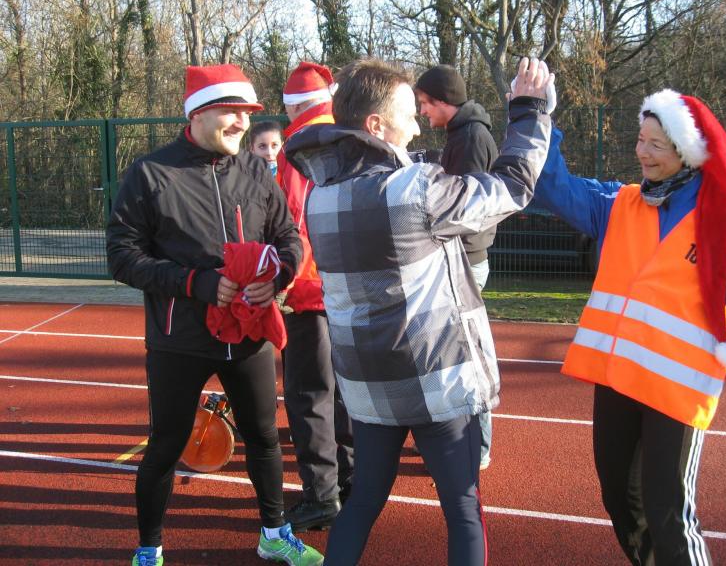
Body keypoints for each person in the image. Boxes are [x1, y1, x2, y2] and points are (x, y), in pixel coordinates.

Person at [283, 56, 555, 566]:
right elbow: (512, 187)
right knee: (463, 509)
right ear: (375, 125)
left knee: (363, 502)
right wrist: (529, 113)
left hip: (367, 383)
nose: (416, 126)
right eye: (408, 115)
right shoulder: (415, 191)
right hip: (436, 378)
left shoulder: (320, 196)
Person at [533, 88, 726, 565]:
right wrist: (538, 117)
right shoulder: (619, 203)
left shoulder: (724, 226)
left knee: (669, 515)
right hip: (618, 383)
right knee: (621, 501)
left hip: (677, 392)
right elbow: (553, 186)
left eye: (656, 144)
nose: (643, 152)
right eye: (640, 139)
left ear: (687, 152)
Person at [106, 63, 323, 566]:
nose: (243, 122)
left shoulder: (255, 171)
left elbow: (287, 236)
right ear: (198, 114)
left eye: (248, 112)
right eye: (231, 111)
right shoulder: (150, 174)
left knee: (263, 438)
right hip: (178, 338)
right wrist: (195, 283)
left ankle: (273, 534)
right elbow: (121, 256)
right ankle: (149, 548)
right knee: (166, 444)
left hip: (248, 332)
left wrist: (280, 273)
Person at [276, 61, 354, 532]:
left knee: (309, 397)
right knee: (345, 393)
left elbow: (294, 222)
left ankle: (322, 496)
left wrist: (283, 281)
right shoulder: (351, 138)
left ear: (293, 107)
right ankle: (350, 479)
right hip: (349, 289)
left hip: (308, 292)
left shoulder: (297, 148)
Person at [415, 64, 499, 470]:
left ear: (443, 101)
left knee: (467, 357)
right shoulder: (461, 135)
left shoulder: (471, 138)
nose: (422, 112)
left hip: (465, 258)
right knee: (457, 354)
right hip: (462, 255)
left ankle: (476, 447)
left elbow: (467, 206)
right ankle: (464, 442)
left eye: (424, 104)